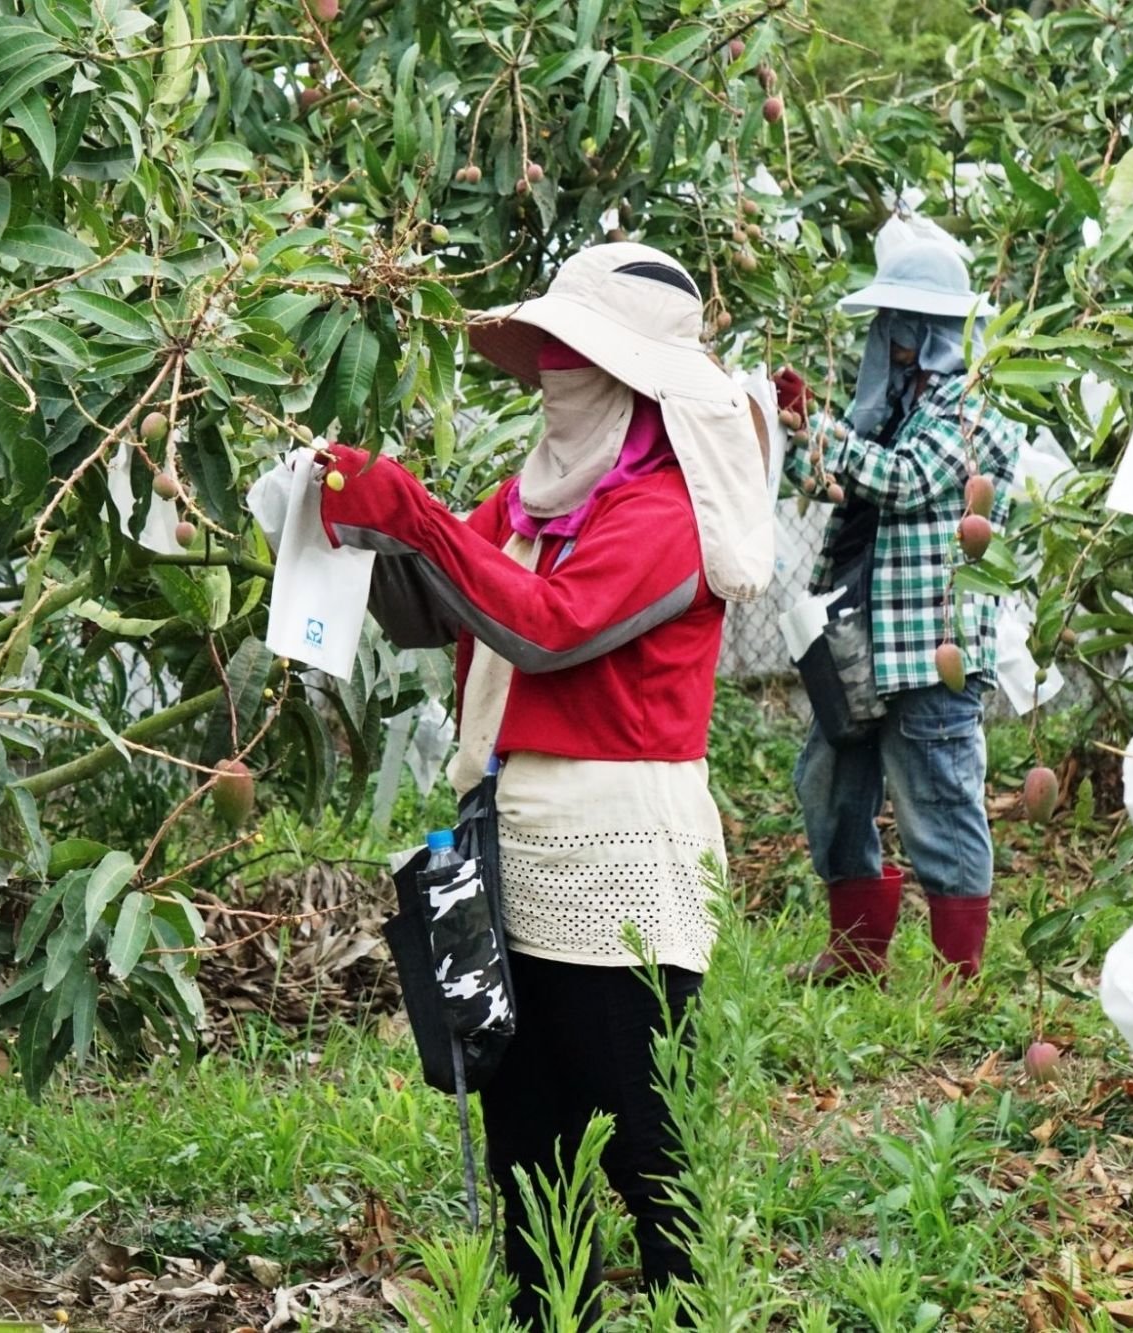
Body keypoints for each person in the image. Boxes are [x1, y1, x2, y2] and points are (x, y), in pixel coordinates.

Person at [312, 243, 773, 1325]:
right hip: (510, 838)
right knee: (524, 1127)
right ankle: (539, 1314)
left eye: (574, 353)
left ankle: (688, 1311)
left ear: (632, 383)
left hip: (622, 856)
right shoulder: (530, 500)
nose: (550, 375)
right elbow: (434, 611)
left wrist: (413, 514)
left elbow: (552, 630)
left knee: (640, 1122)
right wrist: (353, 521)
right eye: (551, 351)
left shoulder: (666, 514)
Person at [779, 230, 1024, 989]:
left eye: (898, 324)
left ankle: (962, 972)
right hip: (860, 639)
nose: (887, 339)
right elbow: (835, 476)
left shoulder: (974, 408)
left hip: (930, 646)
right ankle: (856, 952)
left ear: (926, 332)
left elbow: (905, 479)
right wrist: (790, 426)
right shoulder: (892, 407)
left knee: (939, 801)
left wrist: (818, 431)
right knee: (829, 784)